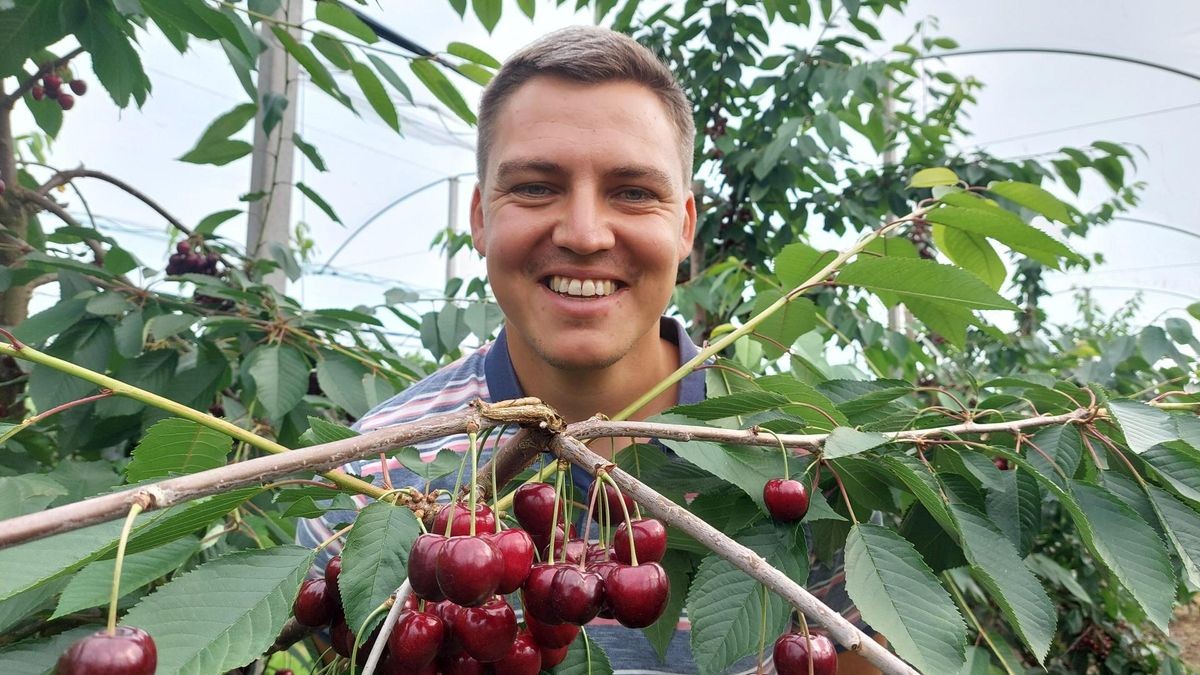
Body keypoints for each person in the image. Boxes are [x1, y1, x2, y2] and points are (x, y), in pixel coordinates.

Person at [298, 25, 882, 674]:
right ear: (481, 218)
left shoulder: (806, 475)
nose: (584, 234)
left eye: (634, 192)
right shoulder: (368, 480)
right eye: (534, 186)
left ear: (684, 225)